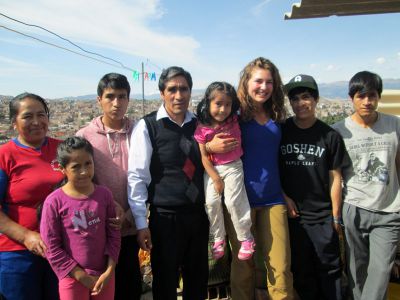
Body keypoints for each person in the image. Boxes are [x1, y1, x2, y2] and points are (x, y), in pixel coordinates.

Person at [208, 57, 295, 300]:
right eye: (258, 81)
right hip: (239, 201)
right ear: (246, 83)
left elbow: (277, 159)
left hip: (273, 200)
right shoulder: (232, 115)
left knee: (280, 266)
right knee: (243, 267)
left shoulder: (277, 114)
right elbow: (202, 139)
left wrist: (285, 193)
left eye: (269, 82)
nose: (264, 87)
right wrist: (209, 146)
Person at [127, 66, 209, 300]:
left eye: (184, 89)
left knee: (197, 279)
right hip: (165, 218)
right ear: (162, 93)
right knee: (165, 282)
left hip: (197, 215)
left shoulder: (200, 125)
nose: (179, 95)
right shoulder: (148, 126)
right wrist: (142, 222)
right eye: (172, 89)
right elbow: (137, 177)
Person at [332, 71, 400, 300]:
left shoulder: (395, 125)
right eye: (361, 96)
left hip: (389, 210)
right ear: (351, 98)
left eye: (372, 95)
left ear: (379, 97)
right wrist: (336, 215)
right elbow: (336, 176)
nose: (367, 102)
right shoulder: (339, 131)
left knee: (380, 271)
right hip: (354, 209)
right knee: (356, 271)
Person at [280, 74, 347, 299]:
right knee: (301, 272)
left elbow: (335, 177)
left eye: (306, 97)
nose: (300, 103)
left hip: (322, 217)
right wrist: (282, 195)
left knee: (330, 271)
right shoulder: (281, 131)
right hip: (292, 216)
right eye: (295, 99)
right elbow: (270, 168)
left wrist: (335, 217)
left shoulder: (329, 136)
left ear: (316, 100)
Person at [76, 73, 142, 300]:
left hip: (131, 227)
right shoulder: (85, 136)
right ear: (99, 100)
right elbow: (78, 183)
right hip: (98, 229)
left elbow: (149, 177)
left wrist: (133, 214)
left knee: (130, 285)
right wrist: (109, 205)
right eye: (110, 97)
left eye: (122, 97)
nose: (116, 103)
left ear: (128, 99)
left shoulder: (139, 132)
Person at [0, 93, 64, 300]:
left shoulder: (63, 149)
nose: (36, 122)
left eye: (41, 115)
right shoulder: (5, 155)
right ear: (13, 123)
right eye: (28, 116)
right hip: (17, 253)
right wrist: (26, 236)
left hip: (61, 249)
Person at [40, 136, 121, 300]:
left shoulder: (104, 195)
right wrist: (81, 276)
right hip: (71, 277)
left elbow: (114, 235)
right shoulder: (54, 201)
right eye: (76, 167)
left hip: (104, 276)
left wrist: (109, 271)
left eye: (88, 164)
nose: (84, 171)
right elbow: (51, 246)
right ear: (63, 169)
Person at [194, 81, 254, 261]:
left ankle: (246, 238)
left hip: (233, 166)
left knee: (233, 202)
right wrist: (216, 178)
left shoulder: (234, 119)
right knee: (211, 203)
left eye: (227, 104)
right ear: (208, 103)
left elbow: (247, 102)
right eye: (218, 104)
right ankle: (218, 239)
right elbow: (204, 156)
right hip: (212, 170)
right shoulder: (202, 128)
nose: (223, 109)